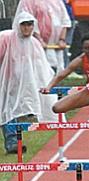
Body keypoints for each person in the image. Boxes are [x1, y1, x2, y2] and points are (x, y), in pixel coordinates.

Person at [0, 12, 58, 154]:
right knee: (6, 108)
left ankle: (13, 142)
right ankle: (12, 141)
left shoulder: (34, 44)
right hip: (5, 81)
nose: (27, 28)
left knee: (11, 110)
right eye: (24, 24)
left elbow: (40, 66)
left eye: (30, 24)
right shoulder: (5, 38)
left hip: (22, 82)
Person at [15, 0, 71, 73]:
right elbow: (27, 21)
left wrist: (62, 39)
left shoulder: (57, 1)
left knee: (56, 72)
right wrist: (39, 40)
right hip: (36, 45)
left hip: (55, 46)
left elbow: (65, 21)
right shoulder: (27, 1)